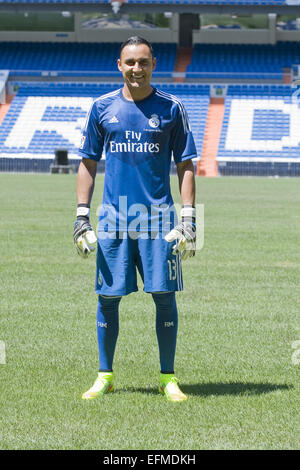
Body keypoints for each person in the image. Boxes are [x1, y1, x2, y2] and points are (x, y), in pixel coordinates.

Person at [74, 36, 196, 402]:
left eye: (143, 62)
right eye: (130, 62)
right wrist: (82, 216)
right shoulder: (101, 108)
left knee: (164, 295)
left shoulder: (172, 108)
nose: (136, 69)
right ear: (119, 65)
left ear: (153, 64)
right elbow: (88, 162)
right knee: (107, 298)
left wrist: (189, 219)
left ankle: (168, 378)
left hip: (159, 220)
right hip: (114, 220)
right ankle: (105, 375)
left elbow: (186, 165)